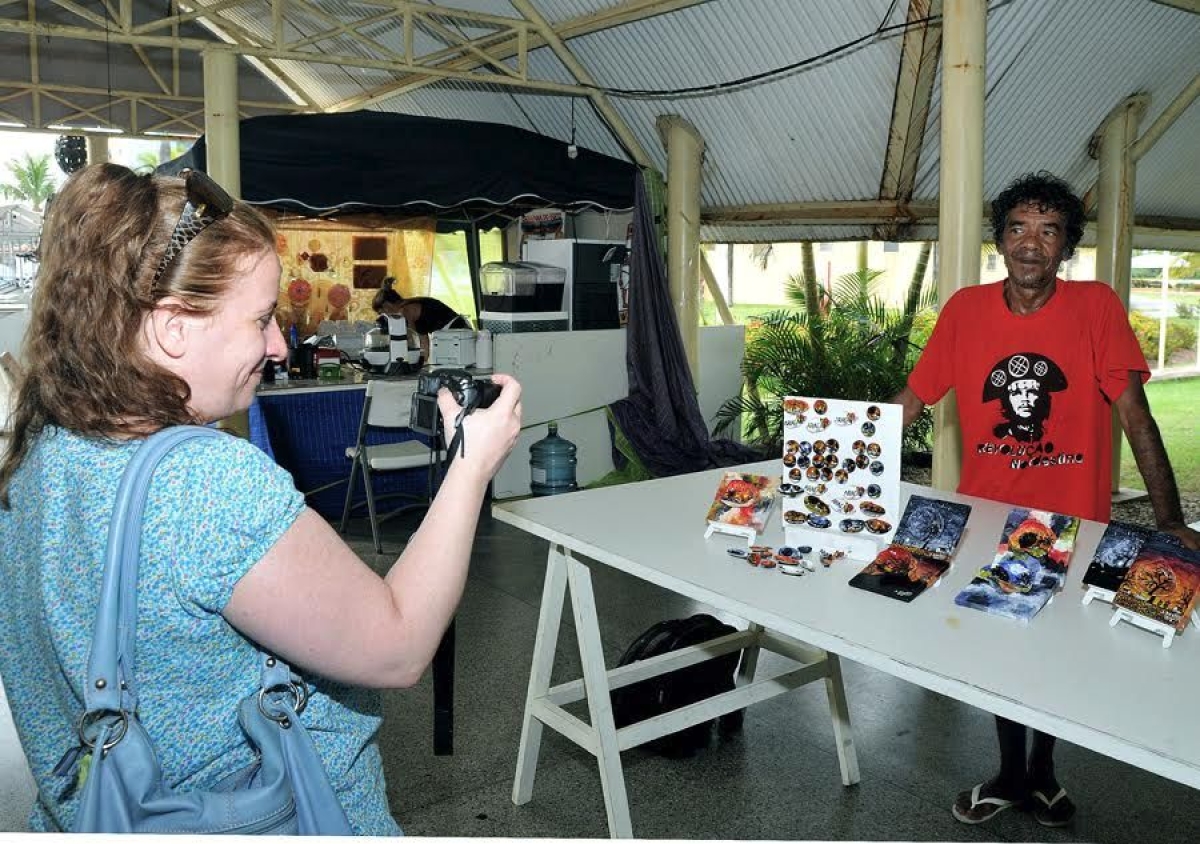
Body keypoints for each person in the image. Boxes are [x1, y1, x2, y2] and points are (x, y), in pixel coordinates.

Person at [0, 164, 522, 834]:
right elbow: (397, 645)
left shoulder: (43, 446)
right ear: (174, 328)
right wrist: (470, 466)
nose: (279, 345)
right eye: (260, 319)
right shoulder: (203, 486)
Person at [893, 171, 1200, 829]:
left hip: (1072, 523)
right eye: (1018, 229)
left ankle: (1044, 772)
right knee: (1004, 653)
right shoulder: (966, 311)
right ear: (1000, 239)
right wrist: (834, 450)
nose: (1031, 245)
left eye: (1048, 231)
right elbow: (911, 401)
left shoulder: (1095, 307)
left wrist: (1171, 520)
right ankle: (1011, 773)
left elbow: (1136, 416)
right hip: (992, 521)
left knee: (1057, 652)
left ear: (1066, 246)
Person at [372, 277, 470, 363]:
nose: (384, 317)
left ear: (387, 306)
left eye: (381, 313)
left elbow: (414, 339)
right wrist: (424, 361)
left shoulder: (405, 311)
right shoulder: (410, 305)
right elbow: (423, 340)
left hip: (455, 332)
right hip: (460, 329)